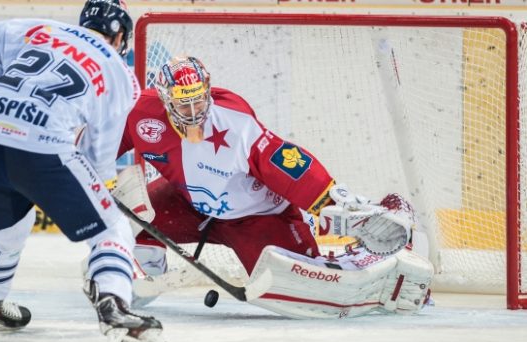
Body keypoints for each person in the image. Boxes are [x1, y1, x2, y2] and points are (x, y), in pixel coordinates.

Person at [117, 56, 433, 318]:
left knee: (309, 291)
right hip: (190, 204)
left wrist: (329, 199)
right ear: (165, 99)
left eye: (199, 102)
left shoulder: (235, 122)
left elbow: (285, 163)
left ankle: (379, 250)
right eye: (184, 106)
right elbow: (103, 146)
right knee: (134, 215)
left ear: (208, 92)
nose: (194, 113)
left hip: (259, 218)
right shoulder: (141, 114)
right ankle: (142, 277)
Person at [0, 1, 165, 342]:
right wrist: (101, 187)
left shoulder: (42, 29)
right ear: (122, 35)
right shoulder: (117, 68)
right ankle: (115, 305)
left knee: (6, 227)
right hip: (39, 145)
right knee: (111, 226)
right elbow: (101, 148)